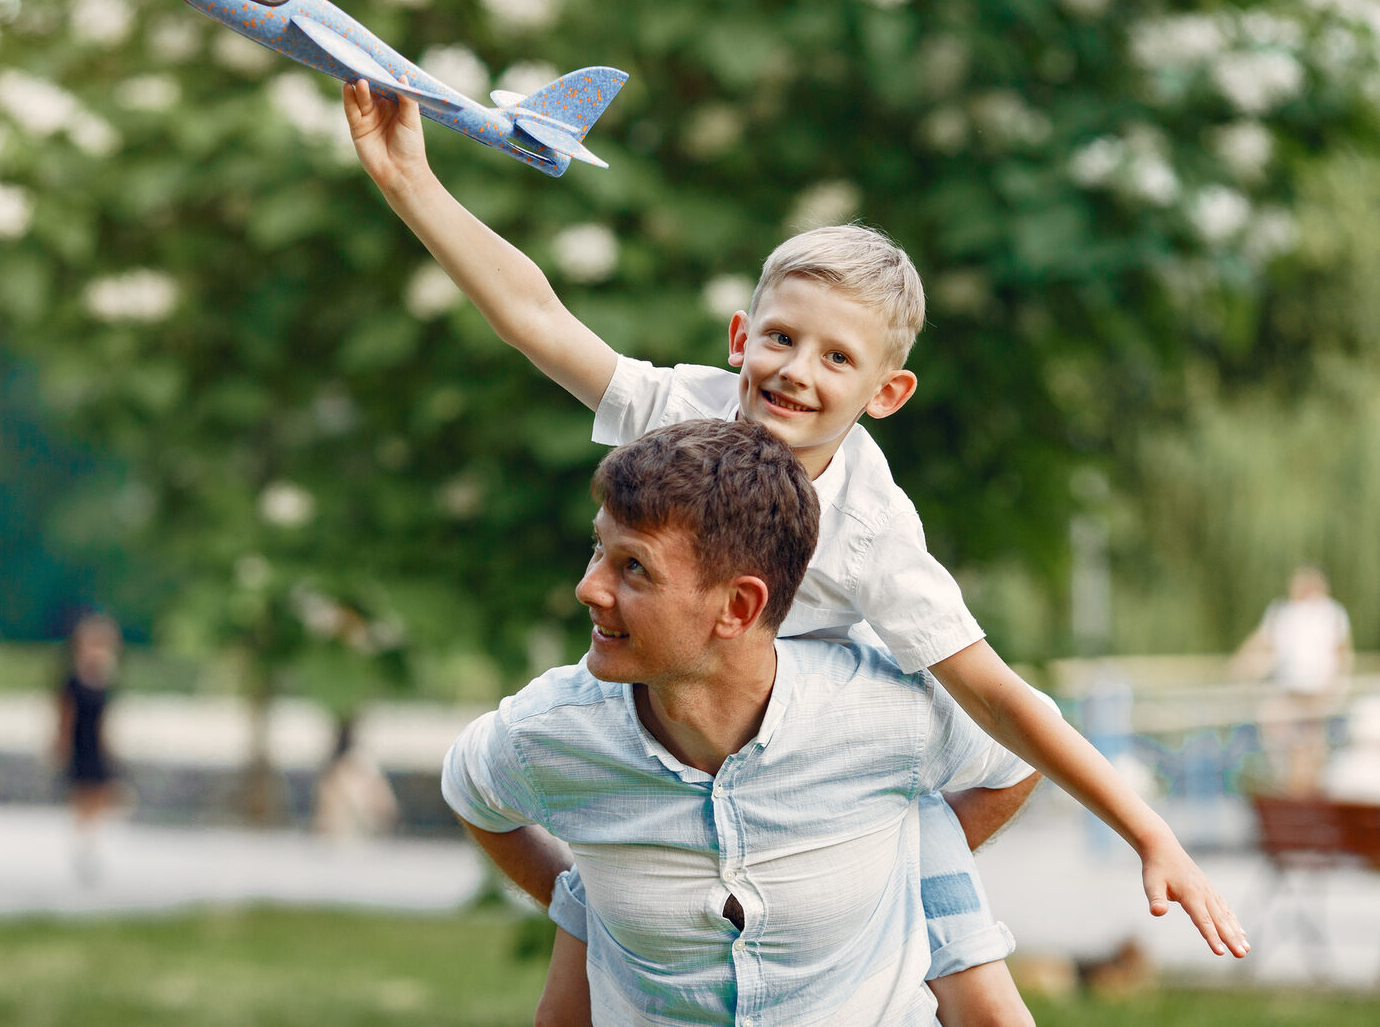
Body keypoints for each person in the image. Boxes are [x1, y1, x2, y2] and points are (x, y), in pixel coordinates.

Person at [344, 82, 1247, 1022]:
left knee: (961, 943)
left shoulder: (870, 529)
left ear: (886, 393)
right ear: (741, 339)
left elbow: (997, 696)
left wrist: (1149, 831)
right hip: (665, 707)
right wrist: (410, 178)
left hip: (814, 751)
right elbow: (536, 316)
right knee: (595, 943)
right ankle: (598, 908)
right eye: (780, 337)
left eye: (836, 358)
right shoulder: (679, 413)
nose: (795, 371)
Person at [445, 420, 1046, 1024]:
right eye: (599, 548)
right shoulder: (549, 733)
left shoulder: (885, 708)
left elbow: (1026, 752)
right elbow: (471, 793)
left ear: (738, 607)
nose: (588, 588)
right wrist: (584, 907)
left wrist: (896, 858)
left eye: (635, 568)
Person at [1233, 564, 1354, 794]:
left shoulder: (1331, 613)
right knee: (1280, 732)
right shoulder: (1283, 612)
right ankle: (1290, 782)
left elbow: (1341, 651)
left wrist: (1336, 685)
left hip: (1317, 691)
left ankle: (1309, 786)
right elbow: (1264, 643)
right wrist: (1242, 666)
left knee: (1311, 741)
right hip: (1290, 690)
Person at [54, 611, 122, 883]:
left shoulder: (104, 679)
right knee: (83, 797)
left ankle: (90, 845)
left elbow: (106, 720)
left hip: (96, 745)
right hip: (80, 744)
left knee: (100, 796)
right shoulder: (73, 680)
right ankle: (83, 847)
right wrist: (61, 745)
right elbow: (65, 716)